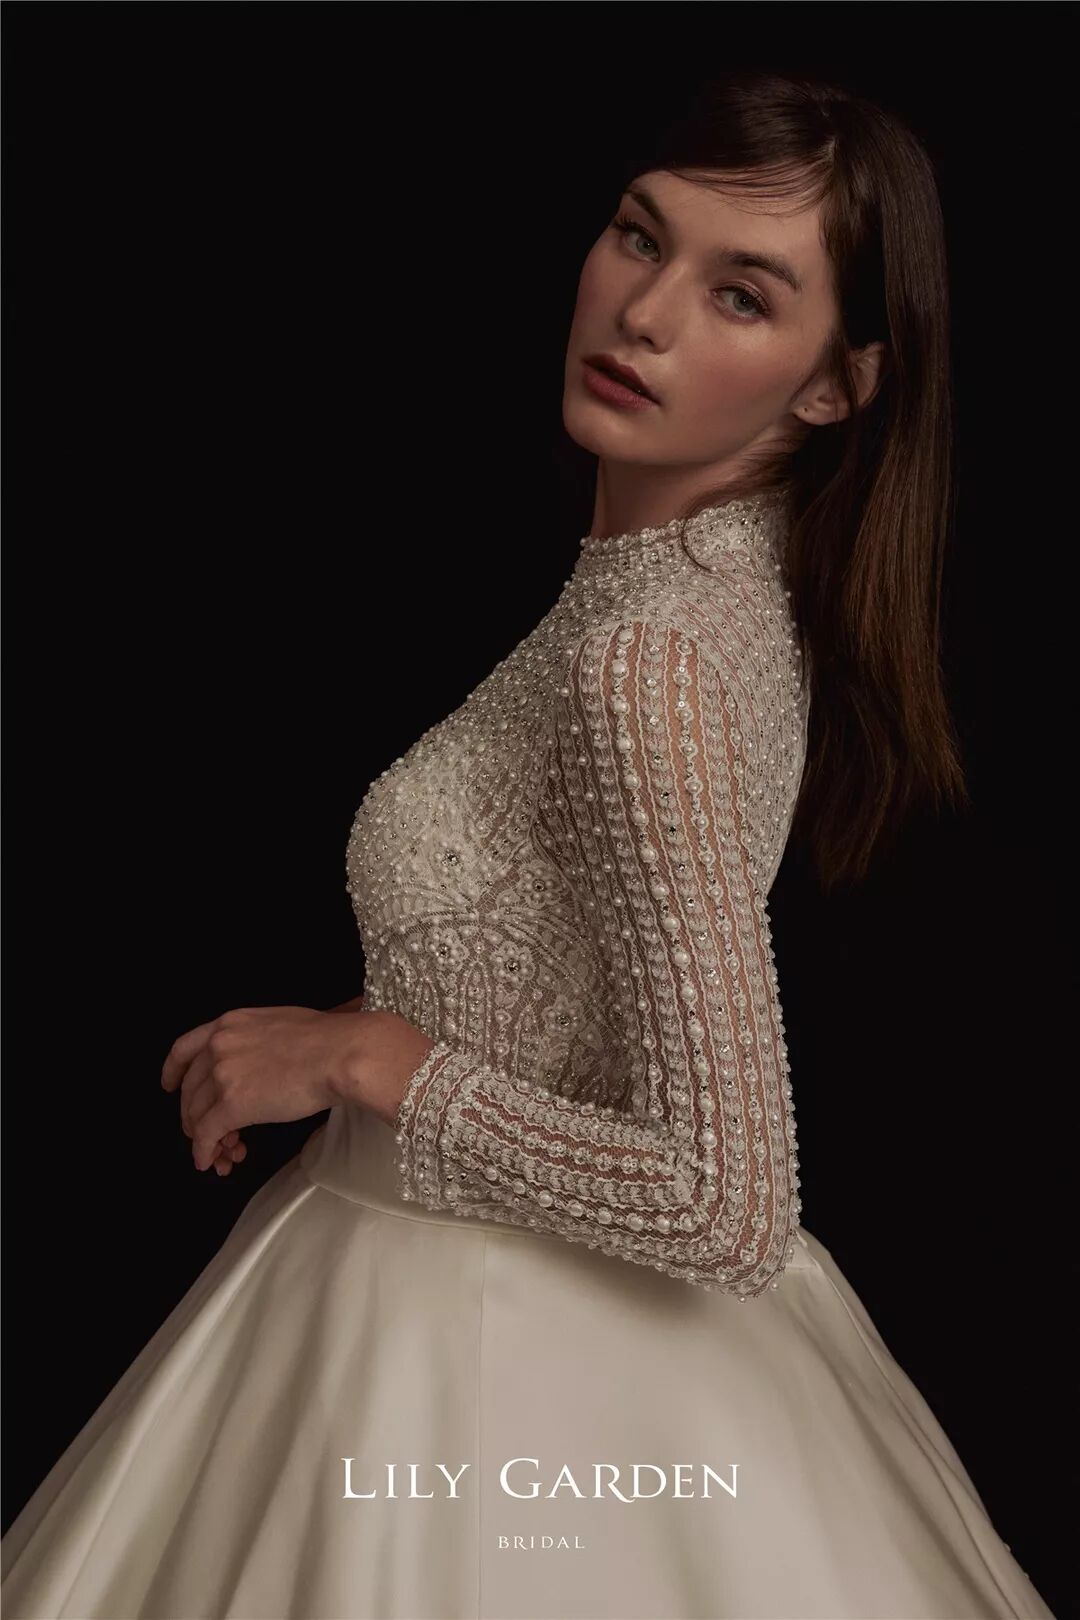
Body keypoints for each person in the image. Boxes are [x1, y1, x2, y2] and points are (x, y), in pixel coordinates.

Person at [0, 68, 1057, 1620]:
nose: (647, 314)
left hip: (500, 1380)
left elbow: (724, 1200)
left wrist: (366, 1058)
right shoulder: (694, 594)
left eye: (742, 294)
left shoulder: (652, 661)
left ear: (837, 385)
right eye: (640, 236)